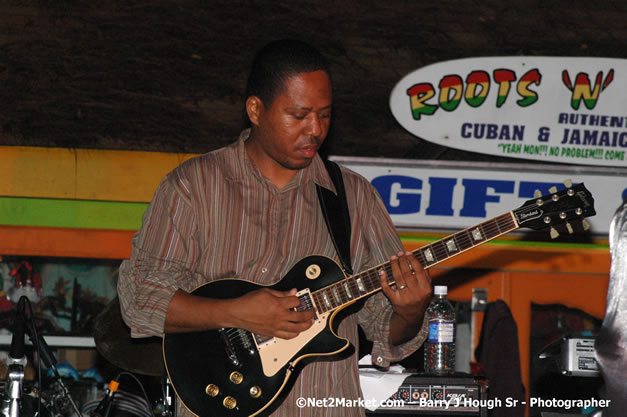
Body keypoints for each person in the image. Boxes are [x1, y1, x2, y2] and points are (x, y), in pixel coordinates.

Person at [117, 39, 432, 417]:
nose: (315, 129)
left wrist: (410, 312)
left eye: (325, 115)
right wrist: (235, 313)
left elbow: (386, 329)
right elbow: (141, 301)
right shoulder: (192, 187)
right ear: (255, 110)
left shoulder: (354, 197)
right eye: (298, 115)